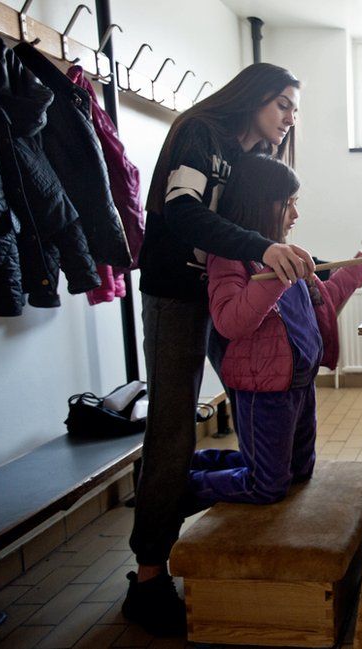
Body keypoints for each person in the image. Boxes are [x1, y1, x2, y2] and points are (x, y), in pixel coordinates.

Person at [125, 63, 314, 636]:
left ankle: (229, 482)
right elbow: (183, 214)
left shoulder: (245, 156)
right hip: (179, 297)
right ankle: (149, 575)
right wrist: (262, 248)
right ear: (254, 96)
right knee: (175, 427)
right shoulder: (202, 133)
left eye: (294, 110)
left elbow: (252, 219)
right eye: (282, 104)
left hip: (220, 290)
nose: (288, 119)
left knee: (255, 388)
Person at [188, 154, 323, 508]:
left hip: (298, 382)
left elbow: (313, 309)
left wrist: (356, 272)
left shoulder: (284, 251)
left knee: (301, 471)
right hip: (262, 387)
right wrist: (274, 276)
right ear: (261, 203)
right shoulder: (230, 255)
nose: (295, 215)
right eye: (288, 204)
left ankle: (201, 463)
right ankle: (181, 484)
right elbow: (230, 322)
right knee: (267, 486)